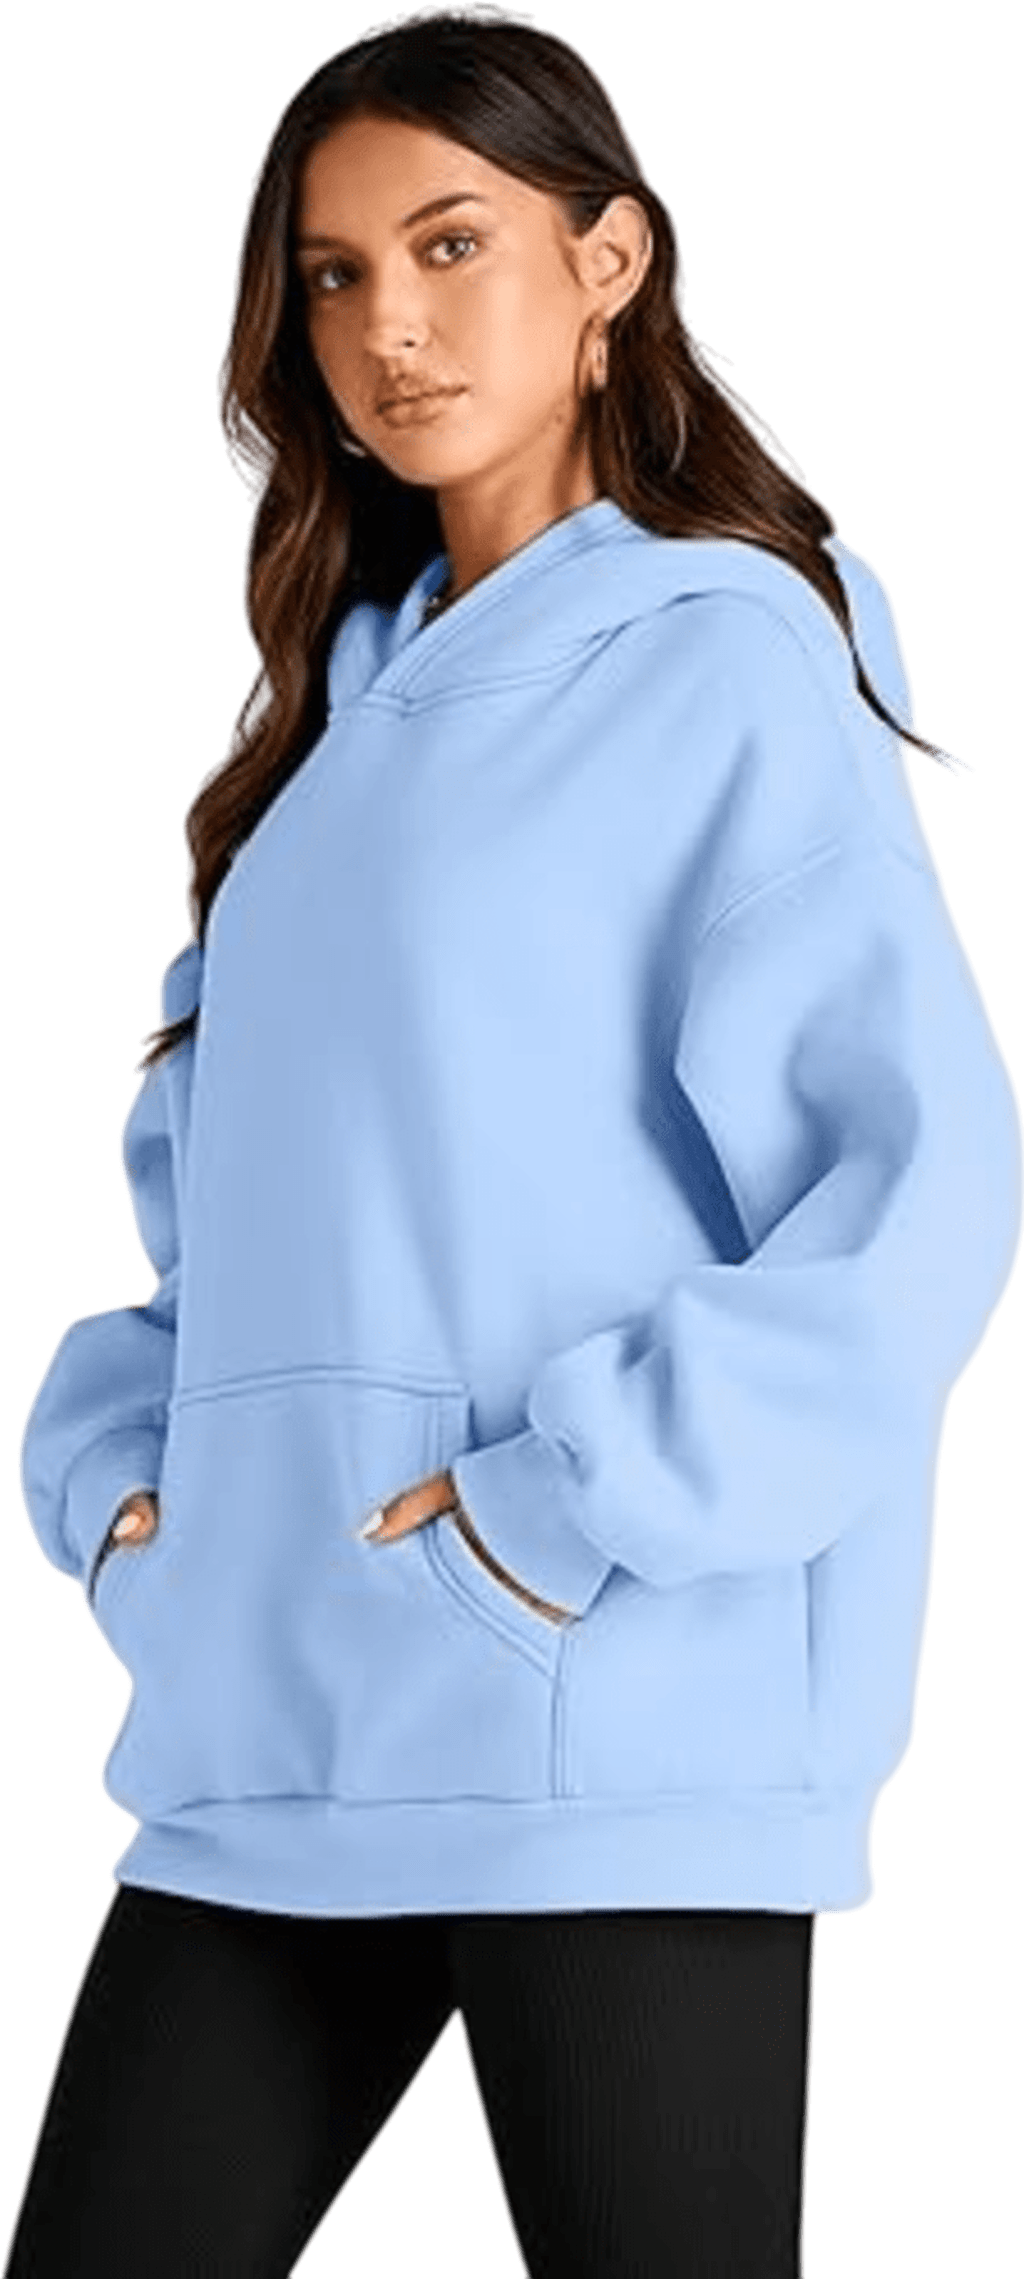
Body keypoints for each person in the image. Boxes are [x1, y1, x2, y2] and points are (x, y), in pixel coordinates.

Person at [7, 7, 1023, 2275]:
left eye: (451, 243)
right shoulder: (319, 736)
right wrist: (120, 1486)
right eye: (336, 274)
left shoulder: (726, 659)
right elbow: (218, 1230)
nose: (389, 323)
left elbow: (917, 1181)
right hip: (273, 1726)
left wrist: (560, 1514)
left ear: (608, 265)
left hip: (607, 1729)